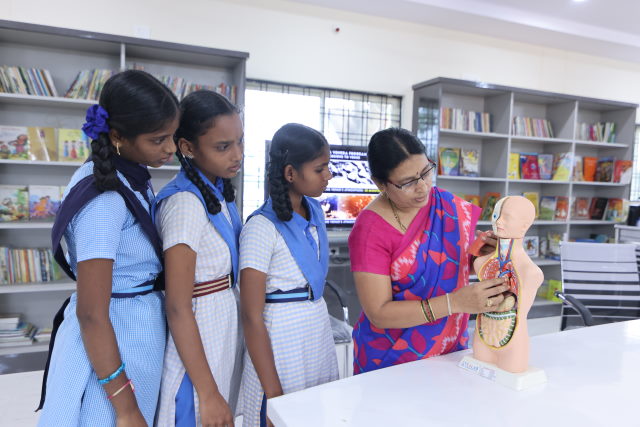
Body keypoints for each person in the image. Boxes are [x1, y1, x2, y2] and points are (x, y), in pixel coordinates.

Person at [37, 69, 179, 426]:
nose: (171, 148)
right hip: (113, 341)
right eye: (158, 139)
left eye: (173, 136)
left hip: (132, 330)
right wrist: (125, 407)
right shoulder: (104, 200)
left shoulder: (128, 173)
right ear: (117, 136)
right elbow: (92, 313)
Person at [348, 127, 509, 374]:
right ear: (380, 184)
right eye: (407, 182)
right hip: (391, 360)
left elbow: (448, 261)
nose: (422, 187)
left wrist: (479, 251)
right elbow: (379, 313)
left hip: (450, 350)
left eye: (426, 172)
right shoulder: (370, 230)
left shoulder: (446, 205)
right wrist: (454, 302)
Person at [153, 90, 244, 427]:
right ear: (188, 148)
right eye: (223, 146)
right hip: (198, 330)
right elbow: (177, 305)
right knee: (195, 412)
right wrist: (207, 392)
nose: (237, 154)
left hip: (219, 325)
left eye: (239, 141)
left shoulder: (218, 191)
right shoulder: (184, 205)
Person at [239, 123, 339, 426]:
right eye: (320, 168)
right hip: (281, 339)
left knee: (315, 413)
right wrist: (273, 393)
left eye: (328, 167)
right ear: (290, 173)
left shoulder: (316, 211)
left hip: (316, 330)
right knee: (283, 416)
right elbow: (251, 316)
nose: (329, 175)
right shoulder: (260, 227)